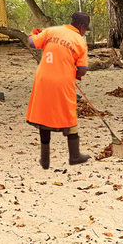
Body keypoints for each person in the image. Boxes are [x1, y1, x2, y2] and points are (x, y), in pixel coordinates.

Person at [26, 12, 91, 169]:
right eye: (85, 29)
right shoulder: (80, 41)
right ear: (81, 27)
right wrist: (72, 73)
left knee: (44, 116)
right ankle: (75, 156)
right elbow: (82, 69)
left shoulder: (51, 31)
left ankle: (45, 159)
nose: (84, 32)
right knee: (69, 114)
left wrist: (33, 32)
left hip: (43, 80)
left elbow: (32, 43)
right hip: (63, 82)